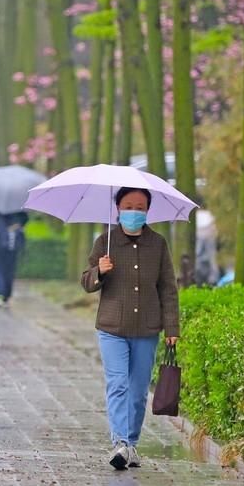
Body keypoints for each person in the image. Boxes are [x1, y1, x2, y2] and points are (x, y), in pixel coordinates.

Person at [80, 187, 179, 470]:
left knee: (137, 391)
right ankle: (120, 442)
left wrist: (172, 327)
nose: (134, 211)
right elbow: (86, 283)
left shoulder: (158, 245)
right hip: (112, 327)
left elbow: (168, 289)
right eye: (128, 206)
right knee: (118, 384)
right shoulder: (105, 242)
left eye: (140, 207)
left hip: (147, 329)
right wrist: (100, 270)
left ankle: (131, 444)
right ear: (118, 208)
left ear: (147, 210)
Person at [0, 208, 28, 308]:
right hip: (13, 243)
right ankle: (6, 296)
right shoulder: (19, 205)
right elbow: (25, 220)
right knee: (9, 270)